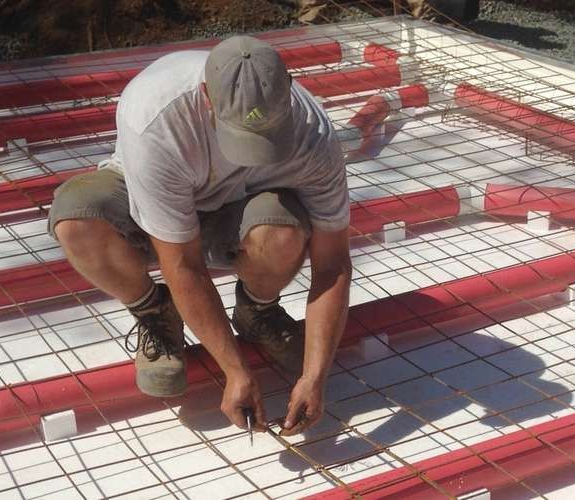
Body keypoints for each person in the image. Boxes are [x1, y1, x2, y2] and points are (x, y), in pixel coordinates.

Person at [47, 36, 352, 436]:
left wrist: (315, 376)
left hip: (238, 204)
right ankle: (155, 312)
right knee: (77, 219)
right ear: (206, 97)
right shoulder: (156, 119)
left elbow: (332, 264)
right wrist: (235, 371)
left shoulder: (313, 134)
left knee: (283, 231)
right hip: (161, 202)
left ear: (289, 88)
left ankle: (257, 311)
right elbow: (183, 264)